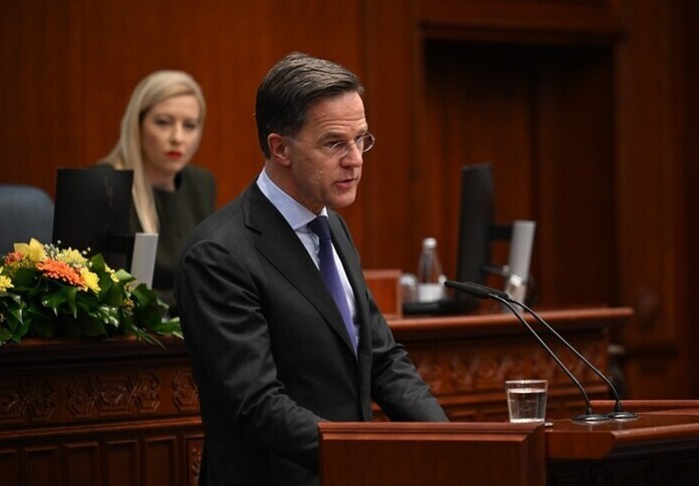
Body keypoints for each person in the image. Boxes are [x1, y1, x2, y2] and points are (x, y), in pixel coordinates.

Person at [176, 52, 448, 486]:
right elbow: (257, 404)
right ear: (280, 148)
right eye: (335, 143)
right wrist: (366, 456)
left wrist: (452, 442)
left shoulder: (332, 226)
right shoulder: (218, 254)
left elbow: (381, 360)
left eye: (361, 139)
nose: (355, 159)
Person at [98, 70, 216, 312]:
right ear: (137, 124)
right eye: (163, 122)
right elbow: (102, 291)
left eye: (190, 125)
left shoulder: (201, 184)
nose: (177, 138)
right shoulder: (105, 185)